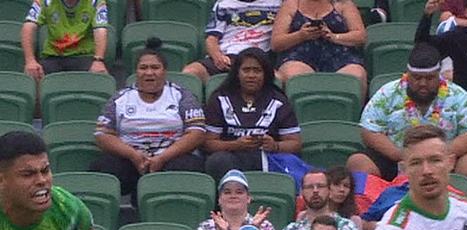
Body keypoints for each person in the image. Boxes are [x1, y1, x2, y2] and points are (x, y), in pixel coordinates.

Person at [350, 43, 467, 184]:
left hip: (444, 160)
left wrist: (439, 154)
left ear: (439, 75)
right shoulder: (388, 93)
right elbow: (369, 130)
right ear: (407, 74)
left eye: (429, 78)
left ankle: (462, 205)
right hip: (397, 159)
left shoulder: (458, 95)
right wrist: (399, 154)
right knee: (359, 162)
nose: (423, 83)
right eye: (417, 78)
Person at [91, 39, 207, 199]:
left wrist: (162, 157)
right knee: (102, 168)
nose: (149, 73)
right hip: (131, 159)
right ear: (136, 72)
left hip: (171, 158)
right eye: (143, 68)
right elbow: (102, 135)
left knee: (190, 167)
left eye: (155, 67)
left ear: (164, 71)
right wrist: (134, 155)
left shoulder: (181, 95)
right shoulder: (121, 98)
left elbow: (197, 132)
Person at [202, 47, 304, 180]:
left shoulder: (278, 100)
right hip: (230, 158)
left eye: (257, 71)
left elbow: (295, 143)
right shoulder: (220, 98)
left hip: (267, 158)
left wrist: (275, 145)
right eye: (246, 70)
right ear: (237, 73)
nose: (251, 75)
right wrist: (236, 145)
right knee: (218, 161)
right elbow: (208, 143)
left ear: (266, 73)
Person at [271, 0, 367, 93]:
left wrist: (334, 37)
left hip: (340, 56)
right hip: (300, 56)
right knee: (293, 75)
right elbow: (276, 43)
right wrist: (300, 35)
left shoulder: (343, 3)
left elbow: (360, 36)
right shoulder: (290, 4)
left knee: (356, 76)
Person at [183, 0, 283, 82]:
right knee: (190, 72)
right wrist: (218, 57)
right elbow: (211, 39)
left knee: (279, 79)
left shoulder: (277, 4)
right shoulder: (224, 5)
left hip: (260, 58)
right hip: (228, 56)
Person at [21, 0, 110, 82]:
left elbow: (100, 30)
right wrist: (30, 61)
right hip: (53, 56)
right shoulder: (44, 1)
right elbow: (29, 26)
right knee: (35, 74)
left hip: (84, 56)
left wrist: (98, 60)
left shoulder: (96, 2)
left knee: (99, 76)